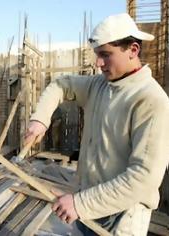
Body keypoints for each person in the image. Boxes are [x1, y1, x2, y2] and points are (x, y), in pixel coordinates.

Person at [25, 13, 169, 235]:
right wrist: (40, 120)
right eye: (97, 54)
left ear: (133, 50)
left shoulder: (151, 100)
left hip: (122, 219)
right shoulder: (100, 86)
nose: (98, 63)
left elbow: (143, 178)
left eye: (106, 55)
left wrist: (80, 204)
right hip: (88, 205)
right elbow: (61, 85)